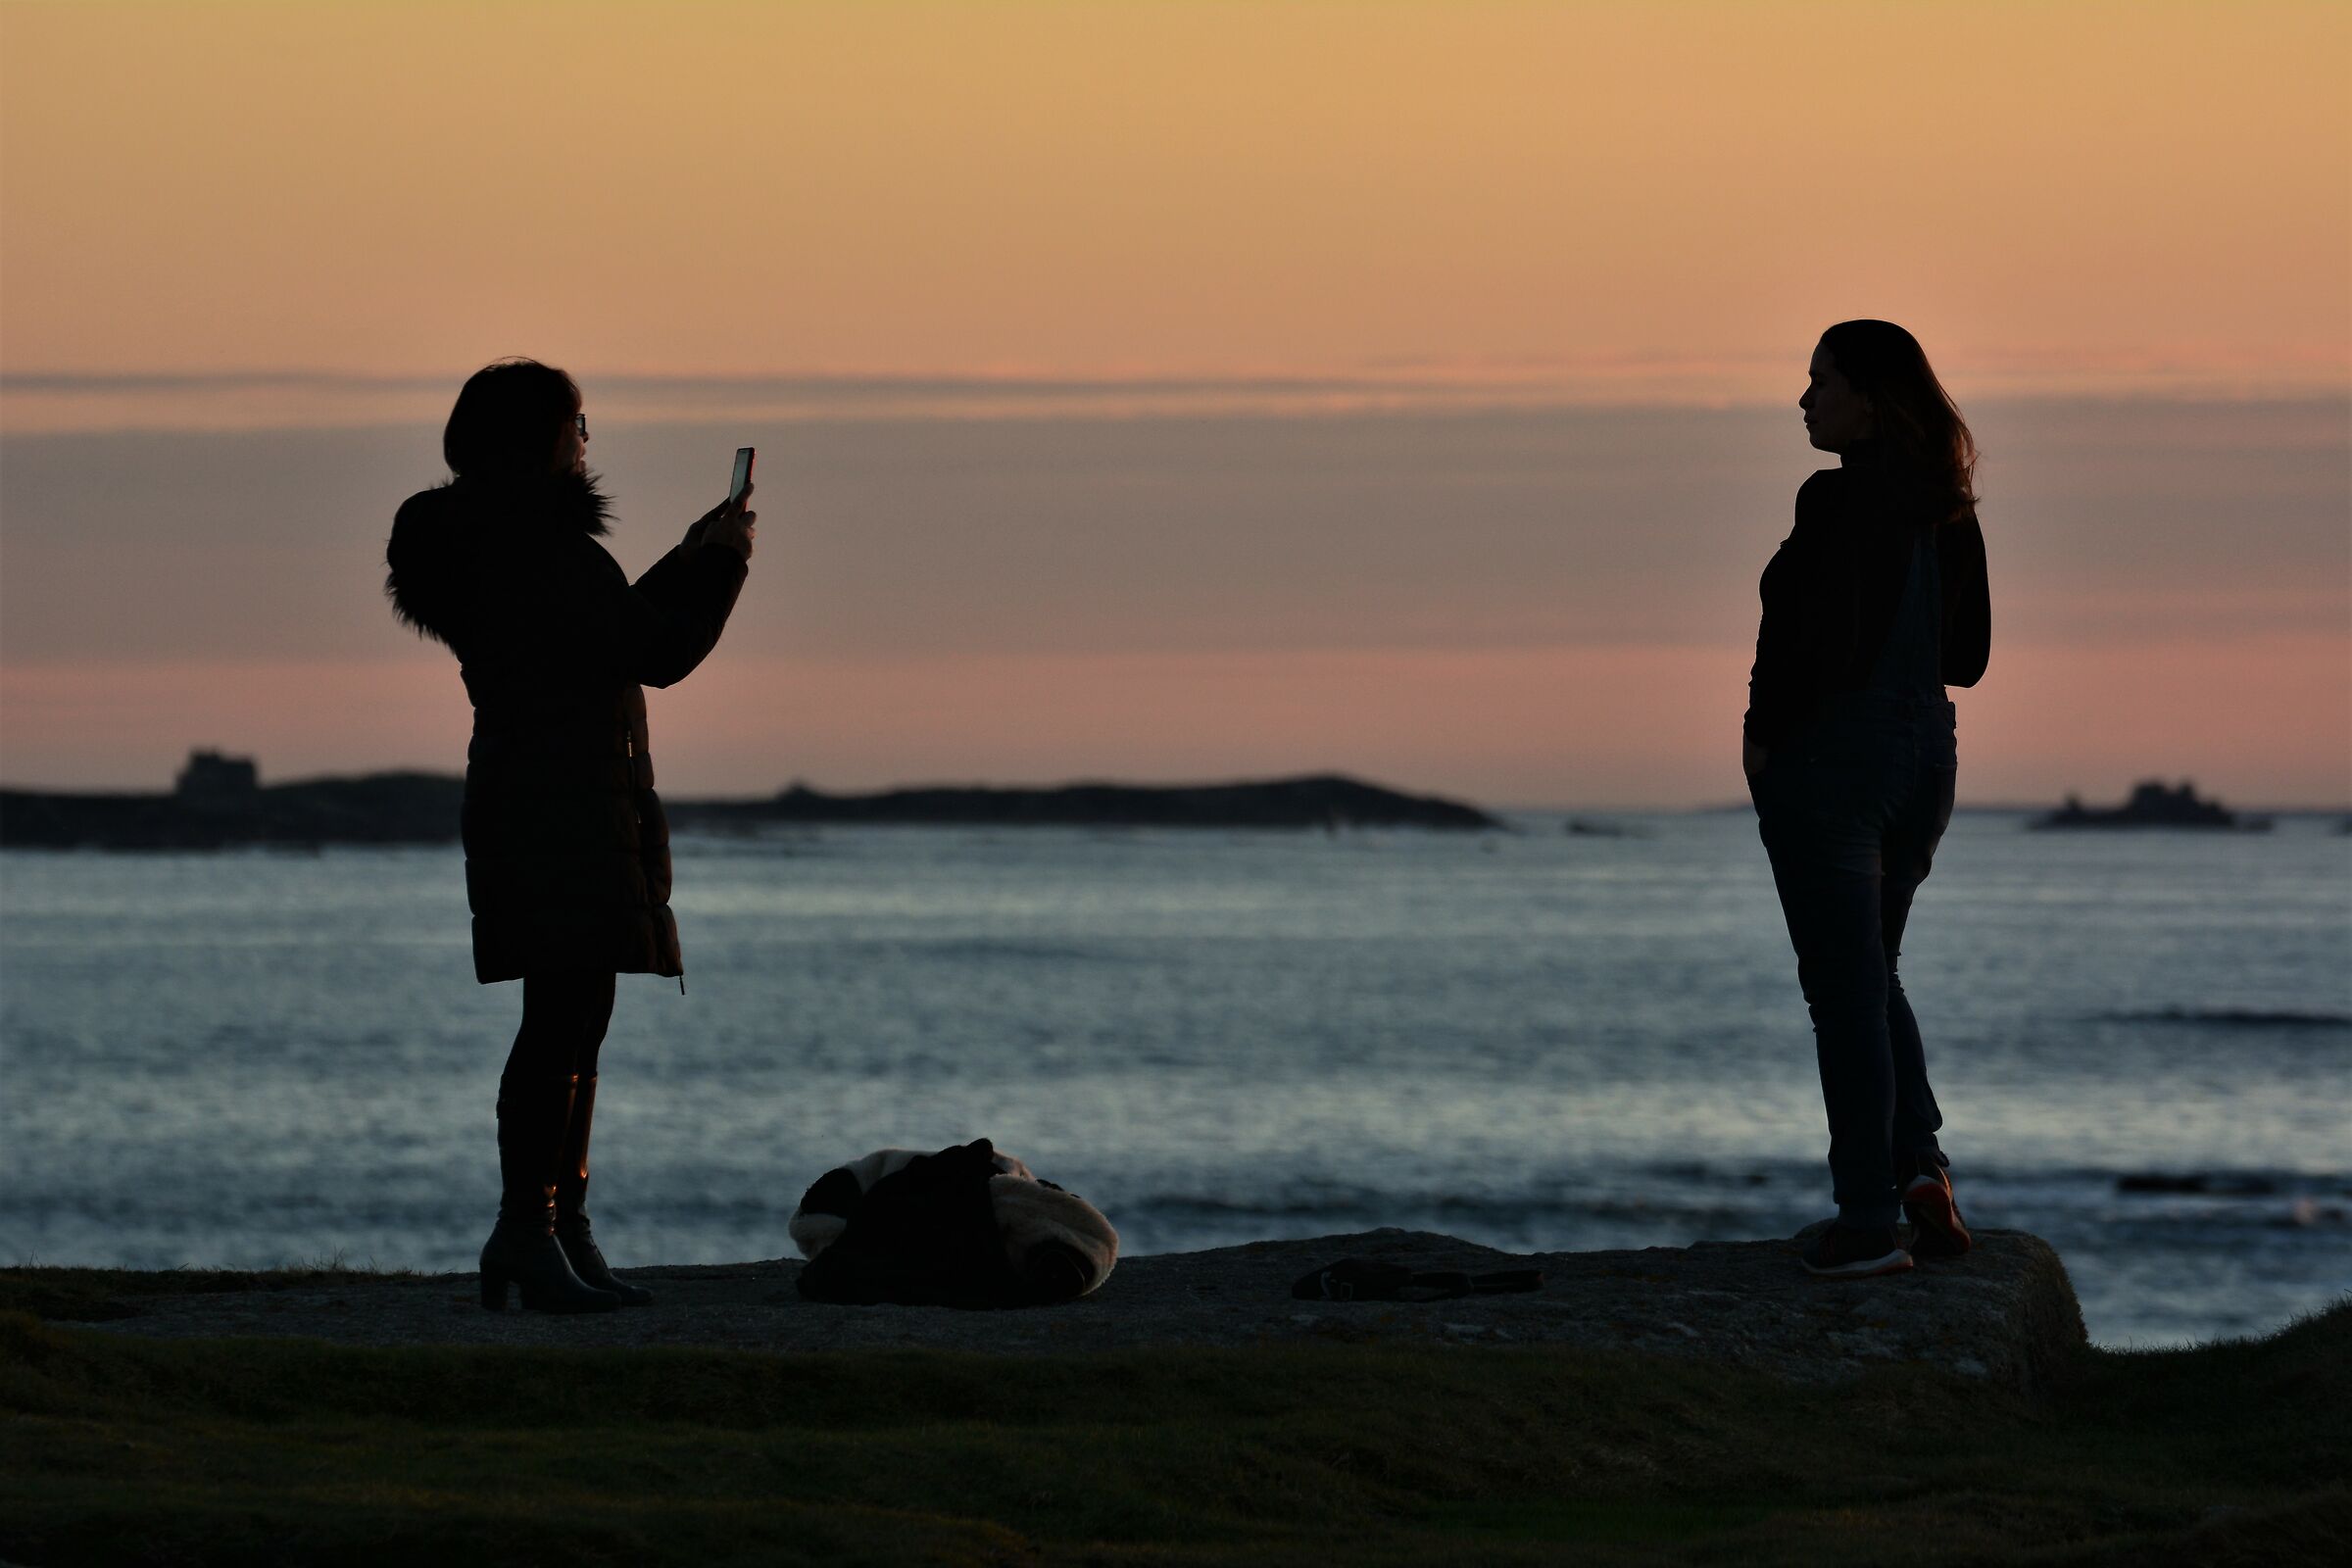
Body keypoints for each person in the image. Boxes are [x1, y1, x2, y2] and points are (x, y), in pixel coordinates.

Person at [385, 359, 756, 1311]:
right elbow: (658, 650)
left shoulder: (498, 548)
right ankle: (529, 1229)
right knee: (563, 1022)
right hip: (563, 805)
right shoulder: (540, 549)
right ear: (543, 438)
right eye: (579, 426)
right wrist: (723, 563)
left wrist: (687, 555)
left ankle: (558, 1228)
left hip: (533, 798)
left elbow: (612, 623)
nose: (587, 444)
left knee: (573, 1018)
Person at [1743, 320, 1989, 1279]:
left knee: (1843, 992)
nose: (1805, 398)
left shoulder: (1834, 502)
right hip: (1928, 759)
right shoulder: (1949, 511)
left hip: (1836, 763)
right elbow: (1966, 658)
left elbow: (1806, 642)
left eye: (1822, 380)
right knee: (1872, 975)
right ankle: (1919, 1167)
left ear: (1870, 398)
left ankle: (1864, 1220)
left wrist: (1766, 735)